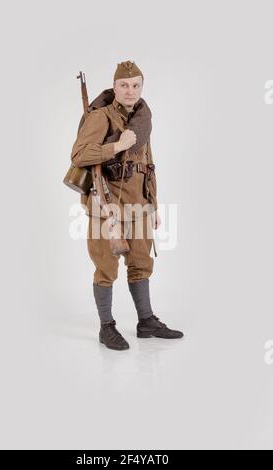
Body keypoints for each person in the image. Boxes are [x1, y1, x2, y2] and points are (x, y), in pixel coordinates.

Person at [71, 60, 184, 350]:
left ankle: (146, 321)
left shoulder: (142, 118)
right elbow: (79, 155)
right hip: (106, 206)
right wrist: (117, 146)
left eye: (136, 85)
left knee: (141, 264)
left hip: (139, 205)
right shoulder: (100, 117)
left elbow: (148, 166)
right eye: (124, 85)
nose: (130, 90)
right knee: (106, 268)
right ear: (115, 86)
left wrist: (153, 205)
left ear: (141, 87)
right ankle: (106, 327)